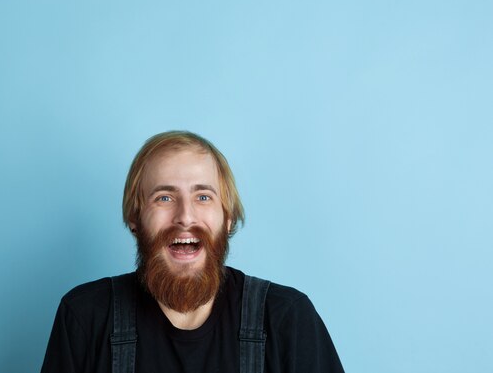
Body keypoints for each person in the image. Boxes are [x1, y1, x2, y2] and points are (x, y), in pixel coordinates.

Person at [40, 131, 345, 373]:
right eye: (164, 198)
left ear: (227, 218)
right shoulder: (85, 318)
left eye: (203, 196)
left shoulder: (285, 319)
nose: (185, 216)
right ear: (135, 219)